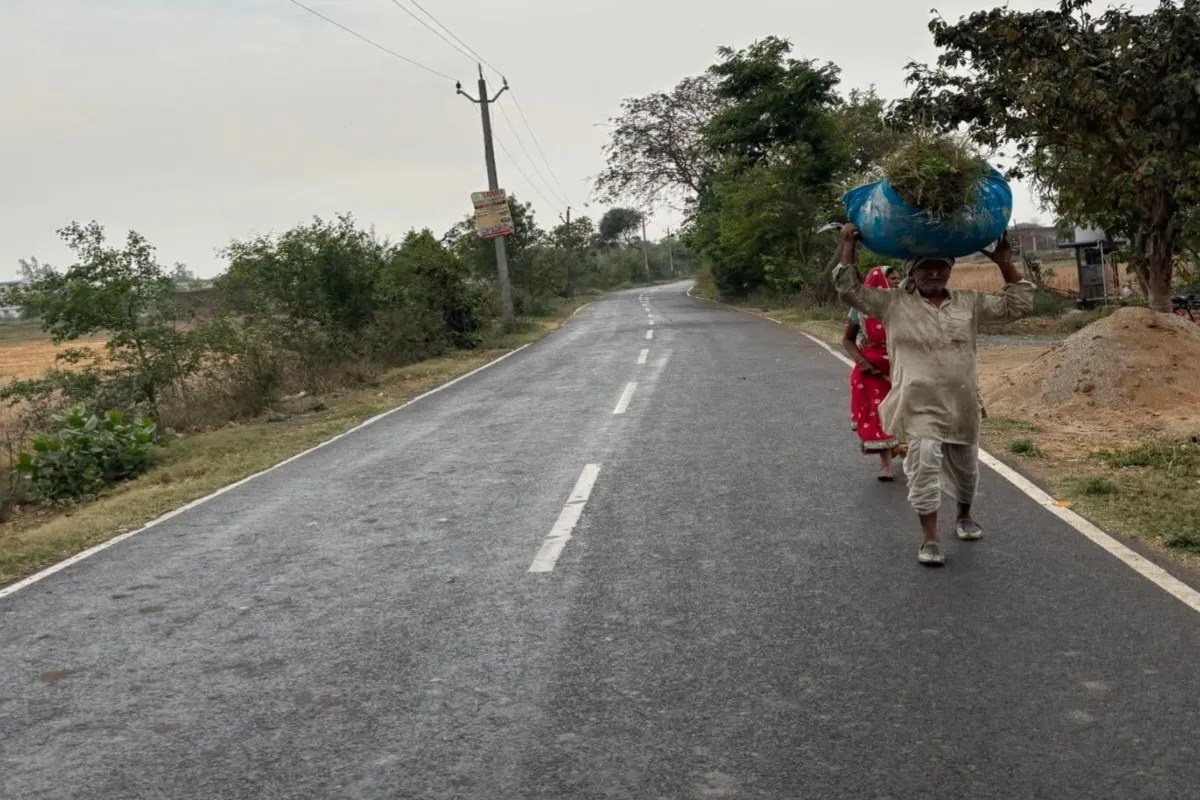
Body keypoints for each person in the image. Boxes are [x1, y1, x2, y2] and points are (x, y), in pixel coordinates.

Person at [832, 225, 1035, 567]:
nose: (935, 273)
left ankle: (964, 515)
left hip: (962, 402)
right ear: (912, 273)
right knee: (923, 464)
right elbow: (849, 290)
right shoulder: (892, 304)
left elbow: (1020, 305)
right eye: (927, 267)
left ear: (950, 271)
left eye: (942, 266)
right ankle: (929, 538)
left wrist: (1004, 264)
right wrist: (848, 245)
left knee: (967, 470)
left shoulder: (968, 303)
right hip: (917, 405)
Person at [842, 266, 902, 481]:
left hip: (901, 368)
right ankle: (886, 466)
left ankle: (907, 451)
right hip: (871, 372)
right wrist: (863, 363)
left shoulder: (902, 305)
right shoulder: (859, 309)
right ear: (878, 282)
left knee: (907, 412)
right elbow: (847, 340)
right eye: (892, 279)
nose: (896, 282)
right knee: (879, 416)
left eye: (898, 279)